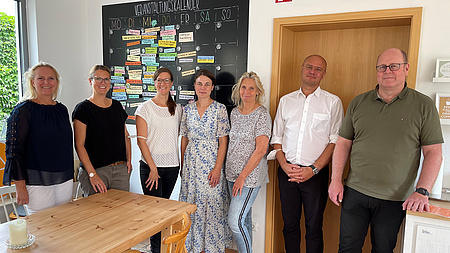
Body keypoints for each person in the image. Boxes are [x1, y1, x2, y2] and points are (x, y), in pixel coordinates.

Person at [328, 48, 444, 252]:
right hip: (355, 193)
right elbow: (343, 143)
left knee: (383, 249)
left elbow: (433, 152)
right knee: (347, 248)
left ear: (406, 68)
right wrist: (335, 180)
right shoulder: (359, 102)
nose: (387, 71)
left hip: (395, 198)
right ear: (377, 71)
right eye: (382, 67)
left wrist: (422, 190)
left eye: (394, 66)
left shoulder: (423, 106)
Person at [271, 55, 344, 253]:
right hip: (287, 172)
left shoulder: (333, 102)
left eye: (318, 69)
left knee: (313, 229)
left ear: (324, 74)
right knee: (290, 226)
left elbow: (335, 141)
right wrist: (284, 165)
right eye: (309, 67)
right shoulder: (286, 101)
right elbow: (276, 137)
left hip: (315, 175)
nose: (312, 71)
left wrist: (313, 169)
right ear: (301, 68)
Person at [3, 62, 74, 214]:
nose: (46, 82)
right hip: (36, 180)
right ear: (32, 82)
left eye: (51, 78)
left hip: (64, 178)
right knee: (42, 227)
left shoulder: (61, 110)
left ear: (56, 82)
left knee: (64, 221)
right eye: (41, 78)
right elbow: (14, 152)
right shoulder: (22, 111)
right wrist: (20, 186)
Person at [179, 69, 232, 253]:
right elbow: (184, 137)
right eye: (199, 84)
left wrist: (218, 168)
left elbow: (223, 141)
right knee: (191, 202)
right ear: (194, 86)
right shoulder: (188, 109)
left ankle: (211, 248)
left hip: (211, 161)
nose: (203, 87)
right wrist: (182, 164)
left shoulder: (220, 109)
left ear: (212, 87)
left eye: (207, 84)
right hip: (191, 163)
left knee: (212, 202)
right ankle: (192, 246)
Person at [135, 67, 182, 253]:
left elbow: (176, 135)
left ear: (171, 83)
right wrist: (153, 168)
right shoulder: (144, 108)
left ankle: (163, 248)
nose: (162, 84)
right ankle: (156, 250)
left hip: (171, 167)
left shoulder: (177, 109)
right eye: (159, 80)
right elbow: (141, 141)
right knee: (154, 214)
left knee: (163, 213)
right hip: (150, 168)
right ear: (154, 82)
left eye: (166, 80)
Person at [225, 72, 271, 253]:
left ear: (258, 91)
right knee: (243, 220)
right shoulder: (235, 112)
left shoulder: (261, 114)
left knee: (234, 221)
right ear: (239, 89)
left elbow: (261, 149)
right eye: (244, 87)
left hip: (248, 178)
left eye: (251, 88)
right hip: (231, 174)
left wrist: (242, 176)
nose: (247, 91)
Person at [73, 65, 131, 197]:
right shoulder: (83, 109)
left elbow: (126, 136)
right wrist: (92, 174)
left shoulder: (116, 106)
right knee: (98, 213)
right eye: (98, 78)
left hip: (120, 170)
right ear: (90, 81)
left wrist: (129, 160)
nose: (103, 83)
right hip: (96, 171)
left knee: (121, 212)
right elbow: (79, 145)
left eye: (106, 79)